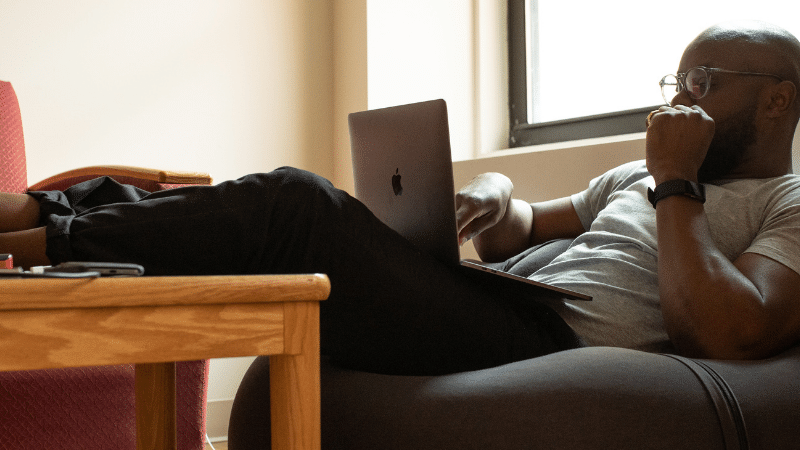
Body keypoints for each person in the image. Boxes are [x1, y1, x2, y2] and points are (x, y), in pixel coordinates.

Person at [2, 20, 800, 376]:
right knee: (285, 212)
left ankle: (39, 234)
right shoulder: (636, 174)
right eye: (676, 81)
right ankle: (52, 223)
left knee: (299, 205)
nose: (678, 102)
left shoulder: (783, 201)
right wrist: (496, 191)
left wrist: (677, 182)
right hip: (502, 298)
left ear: (777, 101)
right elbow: (511, 236)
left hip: (547, 341)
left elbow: (732, 332)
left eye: (705, 83)